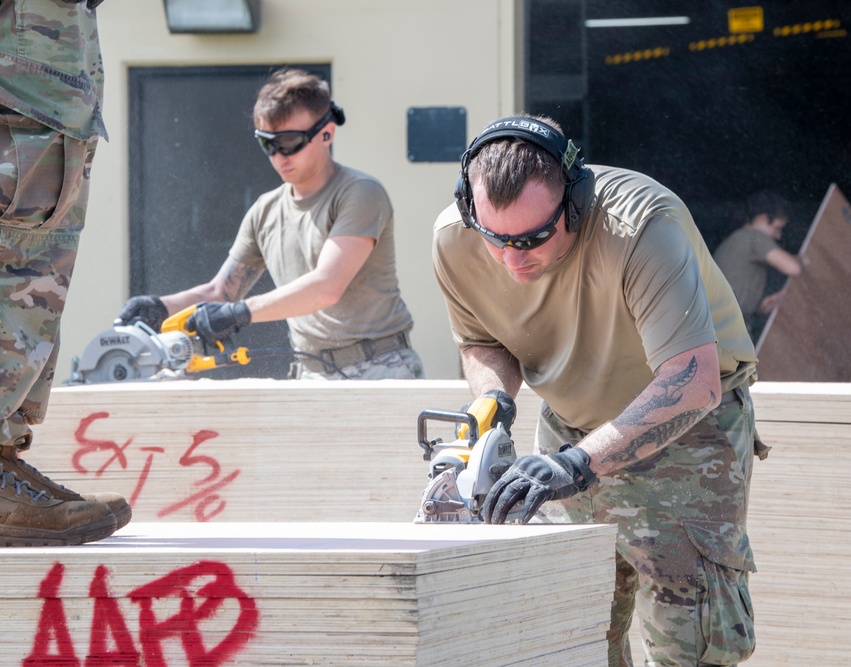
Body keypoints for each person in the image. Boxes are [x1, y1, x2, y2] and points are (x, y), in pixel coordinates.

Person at [432, 115, 767, 667]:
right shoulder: (454, 237)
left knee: (691, 636)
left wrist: (580, 462)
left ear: (577, 202)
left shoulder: (640, 228)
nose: (514, 260)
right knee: (572, 625)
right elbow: (482, 341)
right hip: (568, 426)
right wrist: (493, 403)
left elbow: (693, 379)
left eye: (534, 238)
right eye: (497, 240)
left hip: (683, 429)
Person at [119, 68, 423, 380]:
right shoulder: (265, 211)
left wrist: (241, 313)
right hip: (311, 373)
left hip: (380, 368)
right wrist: (158, 307)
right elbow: (221, 292)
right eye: (268, 144)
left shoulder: (360, 193)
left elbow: (326, 288)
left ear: (327, 133)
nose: (278, 156)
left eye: (289, 142)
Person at [1, 0, 131, 546]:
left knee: (31, 264)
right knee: (19, 262)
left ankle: (5, 461)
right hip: (25, 86)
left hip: (42, 85)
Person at [712, 191, 802, 342]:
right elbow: (793, 268)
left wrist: (759, 308)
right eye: (777, 228)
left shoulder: (736, 239)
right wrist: (805, 258)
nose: (778, 236)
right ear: (762, 219)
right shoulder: (753, 238)